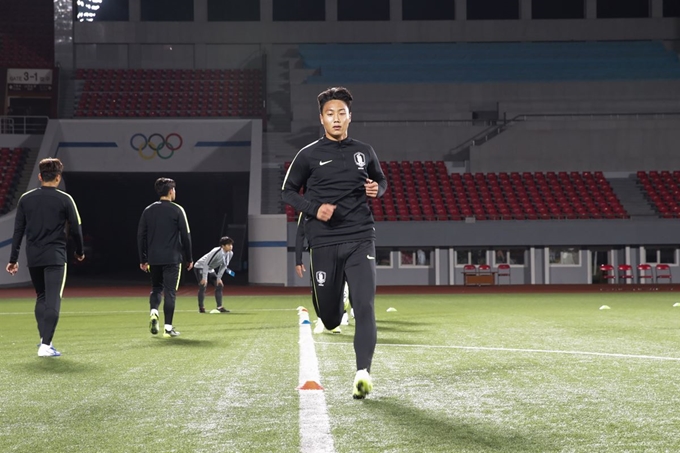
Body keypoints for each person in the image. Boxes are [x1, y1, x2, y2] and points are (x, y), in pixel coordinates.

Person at [282, 86, 387, 399]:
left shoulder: (365, 151)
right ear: (322, 118)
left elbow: (381, 181)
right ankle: (334, 309)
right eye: (331, 114)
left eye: (342, 113)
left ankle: (362, 373)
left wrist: (376, 190)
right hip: (324, 241)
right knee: (330, 318)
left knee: (365, 305)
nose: (337, 118)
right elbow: (287, 192)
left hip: (360, 237)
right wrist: (315, 209)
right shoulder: (308, 155)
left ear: (350, 117)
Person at [6, 158, 85, 357]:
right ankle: (46, 345)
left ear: (40, 176)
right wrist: (80, 251)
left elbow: (18, 231)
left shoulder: (26, 198)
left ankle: (44, 341)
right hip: (56, 256)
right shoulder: (65, 199)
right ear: (58, 177)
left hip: (33, 256)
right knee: (53, 298)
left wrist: (13, 259)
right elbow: (76, 228)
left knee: (41, 297)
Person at [137, 177, 193, 338]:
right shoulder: (177, 210)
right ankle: (168, 328)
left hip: (154, 258)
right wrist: (189, 258)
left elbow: (141, 236)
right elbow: (186, 236)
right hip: (172, 259)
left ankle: (154, 311)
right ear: (170, 191)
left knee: (156, 289)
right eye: (174, 189)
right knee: (170, 292)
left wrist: (143, 259)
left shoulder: (148, 210)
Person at [294, 213, 350, 332]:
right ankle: (320, 318)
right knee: (318, 288)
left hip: (337, 251)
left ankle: (336, 321)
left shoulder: (336, 206)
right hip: (317, 252)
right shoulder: (306, 210)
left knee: (337, 287)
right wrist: (298, 260)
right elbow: (300, 234)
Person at [194, 236, 235, 313]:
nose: (231, 246)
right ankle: (201, 307)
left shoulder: (230, 254)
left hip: (210, 268)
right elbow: (206, 263)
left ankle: (219, 307)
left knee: (219, 285)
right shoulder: (216, 251)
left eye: (231, 244)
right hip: (200, 266)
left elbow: (224, 266)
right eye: (228, 245)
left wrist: (219, 278)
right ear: (223, 246)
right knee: (203, 285)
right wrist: (204, 278)